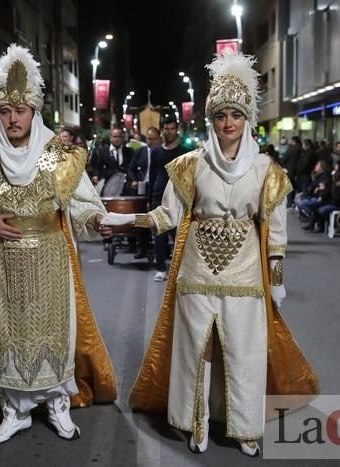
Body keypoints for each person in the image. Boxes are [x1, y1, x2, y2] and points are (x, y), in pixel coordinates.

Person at [102, 51, 318, 456]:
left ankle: (244, 426)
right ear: (211, 119)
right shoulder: (189, 166)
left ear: (248, 118)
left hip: (246, 275)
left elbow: (275, 234)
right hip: (196, 271)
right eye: (221, 115)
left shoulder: (268, 171)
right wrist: (123, 222)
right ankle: (195, 421)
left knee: (244, 350)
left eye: (236, 114)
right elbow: (168, 214)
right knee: (194, 350)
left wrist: (278, 284)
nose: (229, 123)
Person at [0, 44, 117, 445]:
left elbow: (84, 205)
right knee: (5, 335)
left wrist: (96, 220)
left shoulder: (59, 156)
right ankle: (14, 411)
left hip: (51, 260)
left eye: (20, 110)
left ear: (34, 112)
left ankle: (57, 405)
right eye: (4, 110)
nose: (13, 118)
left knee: (55, 332)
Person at [147, 117, 184, 280]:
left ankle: (181, 268)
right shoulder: (156, 152)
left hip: (180, 197)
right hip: (158, 196)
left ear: (177, 130)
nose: (169, 131)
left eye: (172, 128)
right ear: (163, 130)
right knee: (159, 234)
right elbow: (152, 176)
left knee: (179, 235)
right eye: (166, 128)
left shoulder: (185, 151)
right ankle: (161, 269)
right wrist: (149, 199)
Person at [126, 127, 162, 259]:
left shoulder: (161, 152)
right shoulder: (140, 152)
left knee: (158, 219)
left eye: (153, 139)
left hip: (158, 188)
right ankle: (143, 248)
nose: (150, 141)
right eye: (148, 139)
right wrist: (134, 180)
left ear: (159, 138)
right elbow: (130, 168)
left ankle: (163, 250)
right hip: (142, 187)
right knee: (143, 218)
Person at [90, 127, 133, 193]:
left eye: (119, 137)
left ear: (123, 138)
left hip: (125, 186)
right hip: (109, 185)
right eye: (115, 136)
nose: (117, 139)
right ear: (111, 138)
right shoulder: (104, 151)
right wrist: (96, 176)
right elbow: (98, 167)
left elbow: (131, 167)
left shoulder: (129, 151)